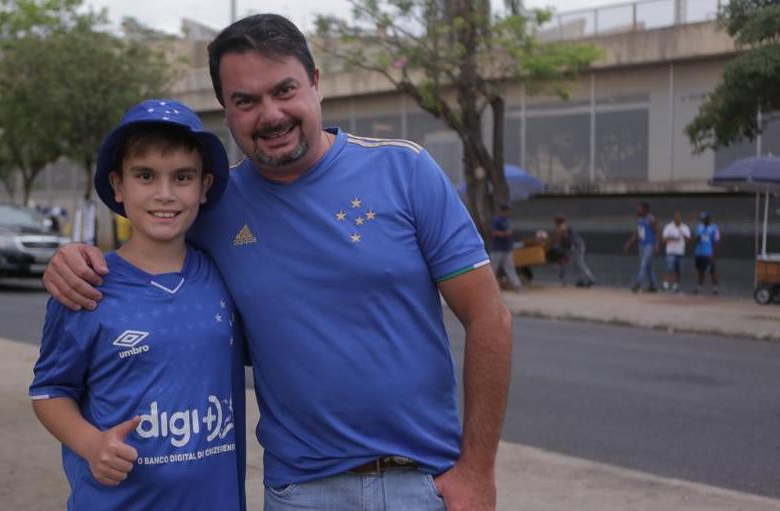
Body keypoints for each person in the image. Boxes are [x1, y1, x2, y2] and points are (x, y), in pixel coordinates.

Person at [44, 14, 512, 511]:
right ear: (227, 112)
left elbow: (489, 317)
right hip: (300, 493)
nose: (270, 115)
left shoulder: (405, 170)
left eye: (284, 90)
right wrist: (71, 258)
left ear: (315, 84)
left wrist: (477, 471)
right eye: (245, 101)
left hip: (422, 484)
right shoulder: (212, 207)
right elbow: (151, 244)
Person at [29, 100, 245, 510]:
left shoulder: (224, 275)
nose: (164, 194)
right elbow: (49, 391)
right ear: (117, 185)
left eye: (182, 177)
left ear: (204, 187)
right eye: (145, 176)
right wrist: (92, 444)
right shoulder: (86, 286)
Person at [623, 201, 660, 293]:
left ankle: (638, 283)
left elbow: (657, 231)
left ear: (645, 209)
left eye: (639, 208)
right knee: (648, 266)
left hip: (649, 245)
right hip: (641, 245)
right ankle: (653, 285)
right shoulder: (640, 220)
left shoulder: (650, 219)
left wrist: (657, 245)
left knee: (643, 264)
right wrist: (629, 244)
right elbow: (636, 234)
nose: (638, 210)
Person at [553, 214, 595, 287]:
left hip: (576, 246)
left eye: (556, 222)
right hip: (576, 246)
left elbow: (559, 238)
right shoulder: (564, 227)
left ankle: (591, 278)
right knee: (576, 264)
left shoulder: (562, 227)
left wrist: (552, 242)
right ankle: (580, 280)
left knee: (580, 263)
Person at [490, 203, 522, 290]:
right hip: (497, 249)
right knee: (493, 268)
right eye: (506, 211)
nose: (507, 212)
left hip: (507, 248)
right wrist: (505, 234)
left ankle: (517, 285)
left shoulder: (507, 220)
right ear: (502, 211)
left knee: (510, 267)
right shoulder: (497, 220)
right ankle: (489, 286)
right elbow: (493, 232)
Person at [661, 211, 691, 293]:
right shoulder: (669, 227)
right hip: (670, 251)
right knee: (669, 268)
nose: (677, 219)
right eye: (676, 217)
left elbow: (688, 238)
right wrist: (672, 238)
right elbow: (663, 239)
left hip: (680, 251)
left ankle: (676, 285)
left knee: (678, 270)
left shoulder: (684, 227)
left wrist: (681, 232)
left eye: (679, 218)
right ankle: (665, 284)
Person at [693, 211, 721, 295]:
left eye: (704, 218)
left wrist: (713, 253)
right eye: (702, 219)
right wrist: (697, 237)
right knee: (700, 270)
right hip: (699, 252)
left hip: (708, 252)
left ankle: (715, 288)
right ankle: (699, 287)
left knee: (712, 271)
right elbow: (696, 238)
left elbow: (716, 241)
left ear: (708, 219)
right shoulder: (699, 227)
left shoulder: (714, 228)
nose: (703, 220)